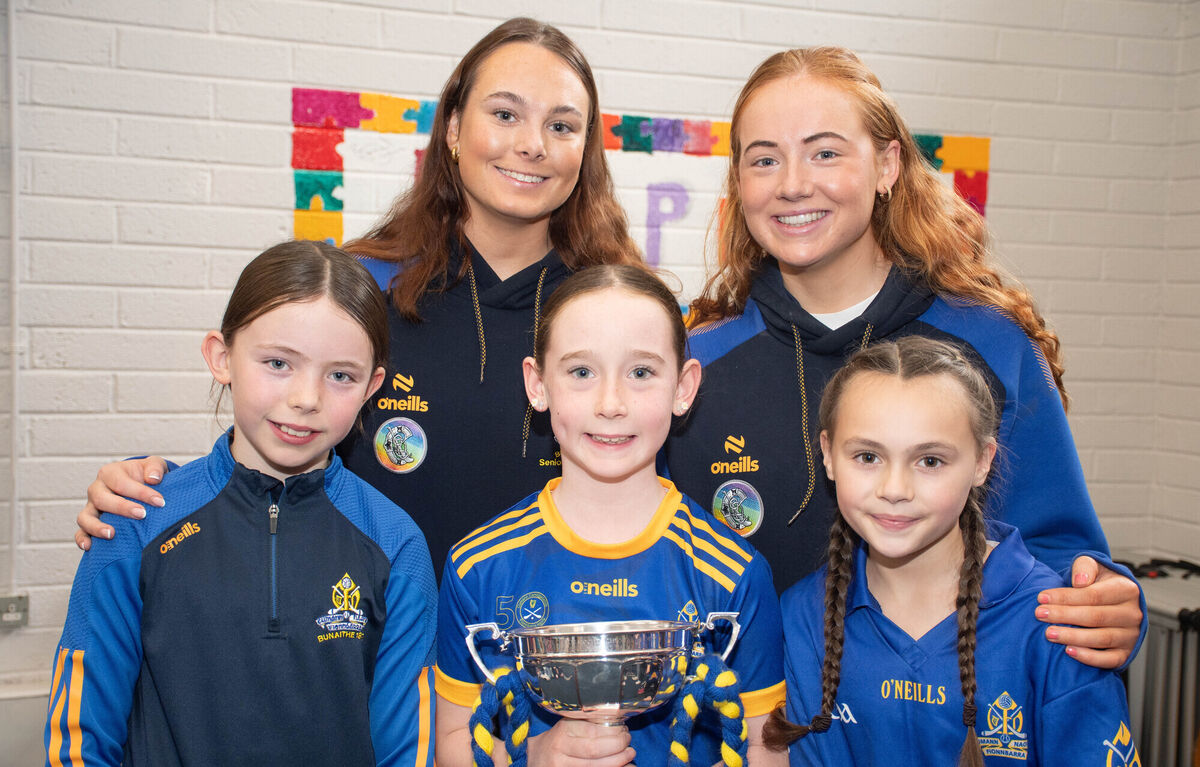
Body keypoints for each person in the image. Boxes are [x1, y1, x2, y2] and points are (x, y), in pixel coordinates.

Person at [72, 17, 642, 578]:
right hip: (365, 651)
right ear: (452, 129)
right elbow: (273, 436)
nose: (532, 145)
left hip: (561, 650)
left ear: (586, 149)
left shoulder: (622, 309)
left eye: (563, 126)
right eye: (504, 114)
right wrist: (154, 488)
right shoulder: (359, 286)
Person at [662, 46, 1144, 667]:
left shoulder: (991, 346)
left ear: (887, 164)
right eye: (764, 160)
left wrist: (1105, 608)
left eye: (825, 152)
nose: (792, 184)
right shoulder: (696, 368)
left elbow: (1062, 559)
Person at [45, 241, 438, 767]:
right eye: (278, 362)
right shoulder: (137, 520)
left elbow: (407, 751)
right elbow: (81, 738)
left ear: (372, 387)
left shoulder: (395, 543)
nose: (306, 397)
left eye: (340, 375)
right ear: (222, 357)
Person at [434, 265, 786, 767]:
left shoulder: (733, 573)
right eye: (581, 372)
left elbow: (763, 746)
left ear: (683, 387)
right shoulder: (477, 566)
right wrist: (534, 757)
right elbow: (452, 739)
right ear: (537, 385)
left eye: (641, 372)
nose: (611, 404)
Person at [764, 336, 1139, 765]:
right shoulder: (802, 617)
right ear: (828, 455)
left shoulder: (1055, 625)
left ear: (982, 461)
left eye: (930, 461)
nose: (895, 490)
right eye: (868, 457)